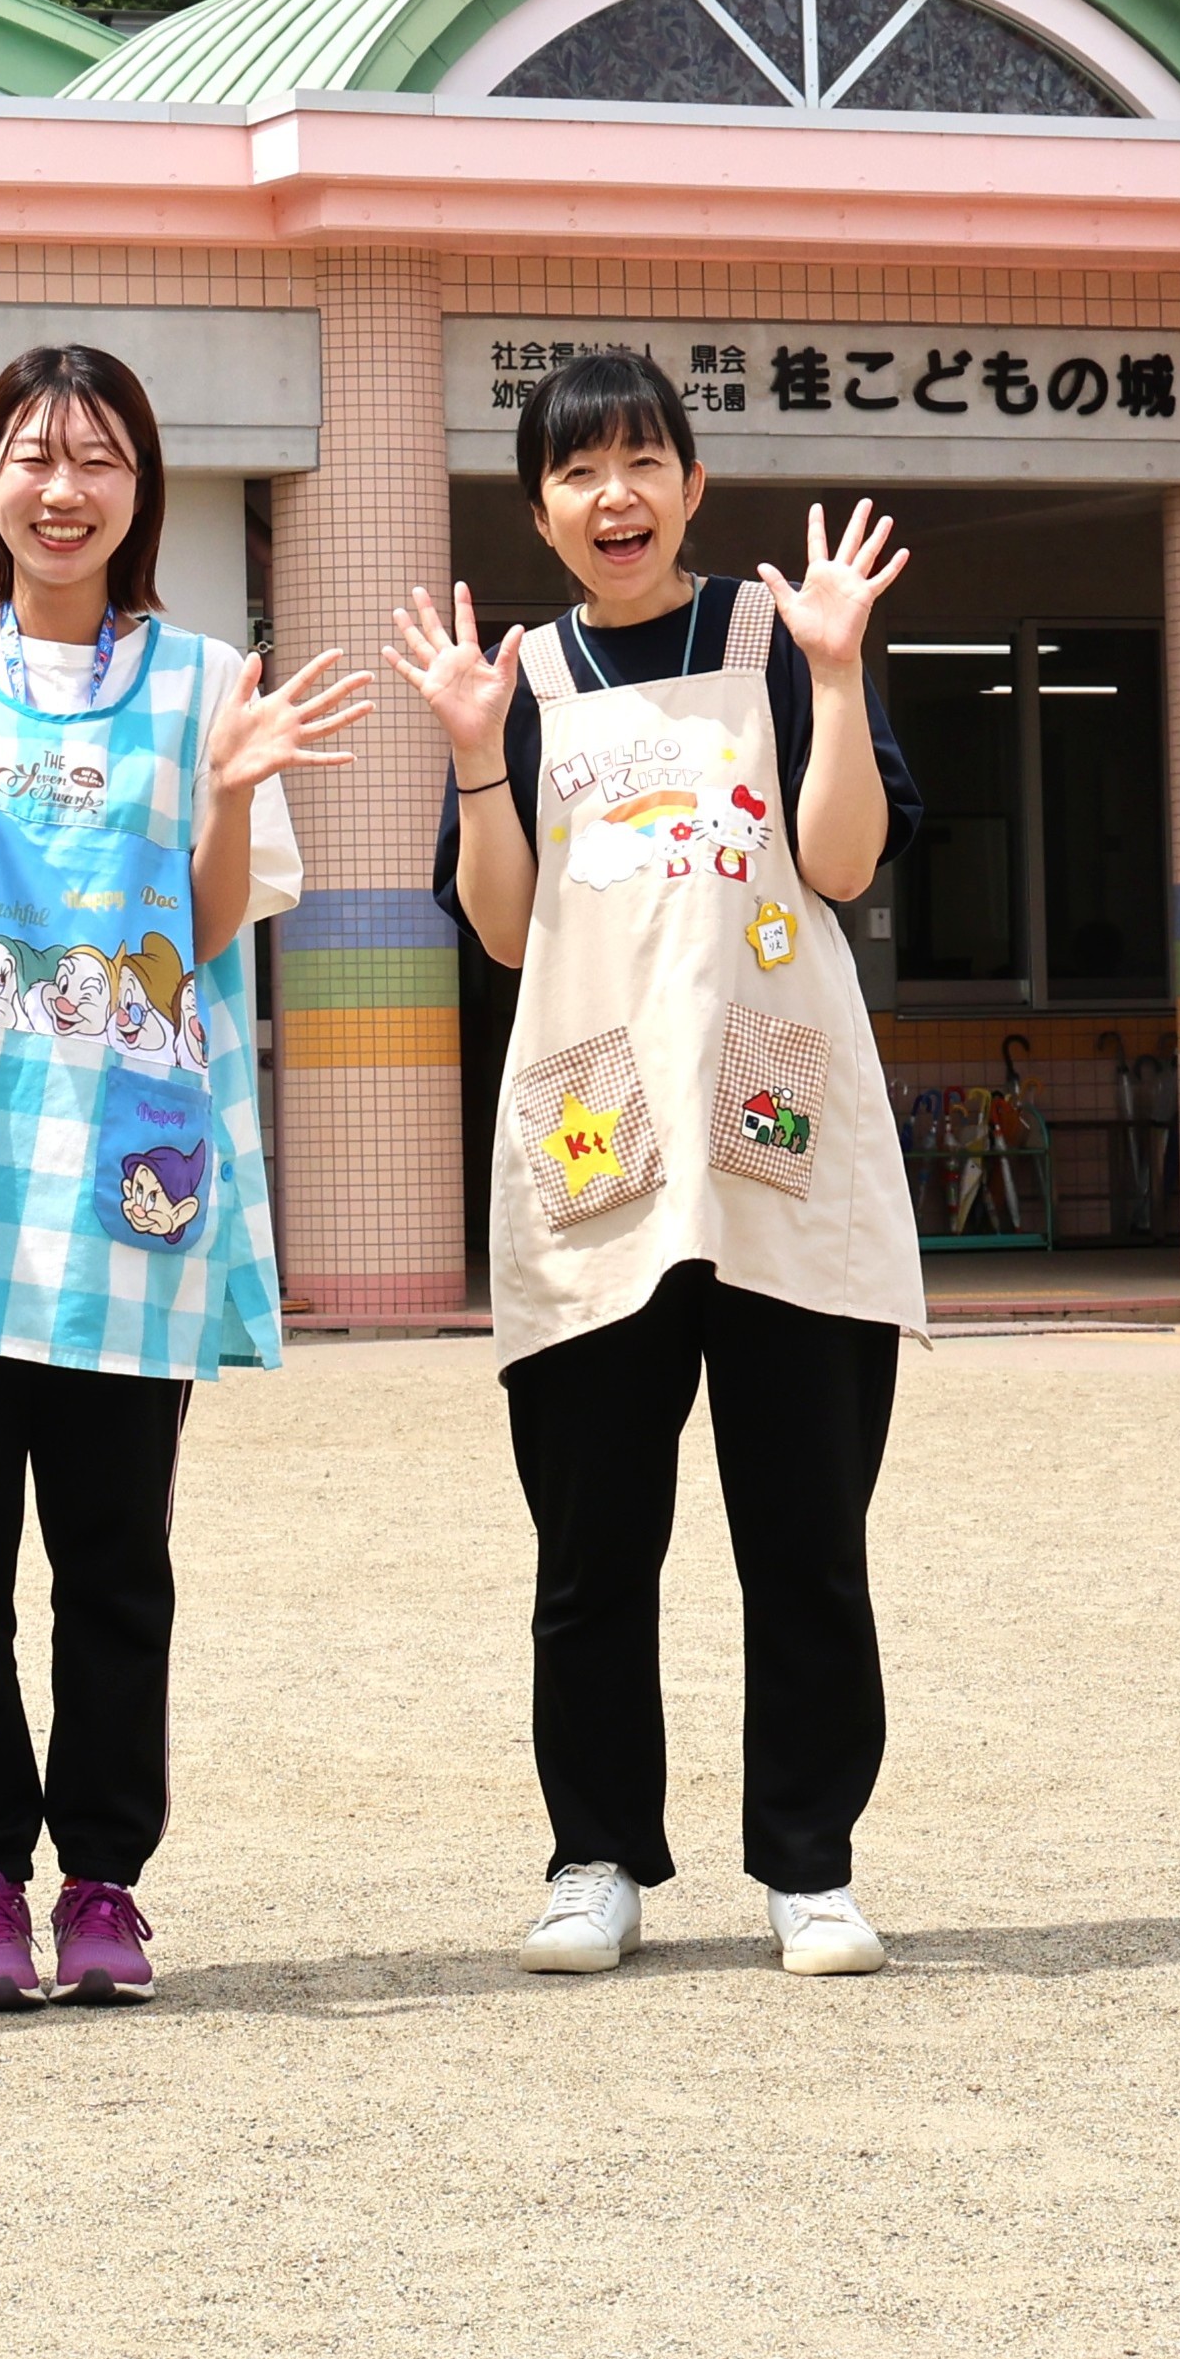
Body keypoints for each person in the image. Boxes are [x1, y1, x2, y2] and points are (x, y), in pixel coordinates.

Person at [0, 344, 366, 2010]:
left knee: (118, 1549)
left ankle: (104, 1875)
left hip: (124, 1186)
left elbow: (210, 916)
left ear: (141, 487)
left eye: (99, 456)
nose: (62, 486)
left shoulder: (201, 682)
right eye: (33, 455)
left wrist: (239, 792)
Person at [382, 346, 926, 1982]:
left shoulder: (778, 640)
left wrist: (837, 679)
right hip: (596, 1139)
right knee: (593, 1542)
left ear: (691, 483)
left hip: (777, 1134)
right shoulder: (523, 678)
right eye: (575, 470)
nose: (613, 495)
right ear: (539, 509)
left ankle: (810, 1862)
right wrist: (476, 752)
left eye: (642, 461)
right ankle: (595, 1852)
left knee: (806, 1533)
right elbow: (496, 923)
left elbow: (837, 862)